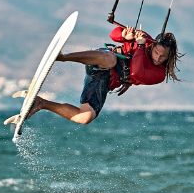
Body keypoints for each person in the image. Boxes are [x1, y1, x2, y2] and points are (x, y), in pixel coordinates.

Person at [26, 25, 183, 124]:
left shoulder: (159, 74)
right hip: (101, 60)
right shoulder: (145, 40)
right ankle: (62, 57)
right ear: (154, 45)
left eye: (163, 57)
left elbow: (136, 71)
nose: (158, 58)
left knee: (85, 117)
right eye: (156, 52)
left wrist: (140, 46)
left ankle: (41, 103)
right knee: (110, 59)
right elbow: (113, 34)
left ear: (170, 56)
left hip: (104, 81)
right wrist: (124, 36)